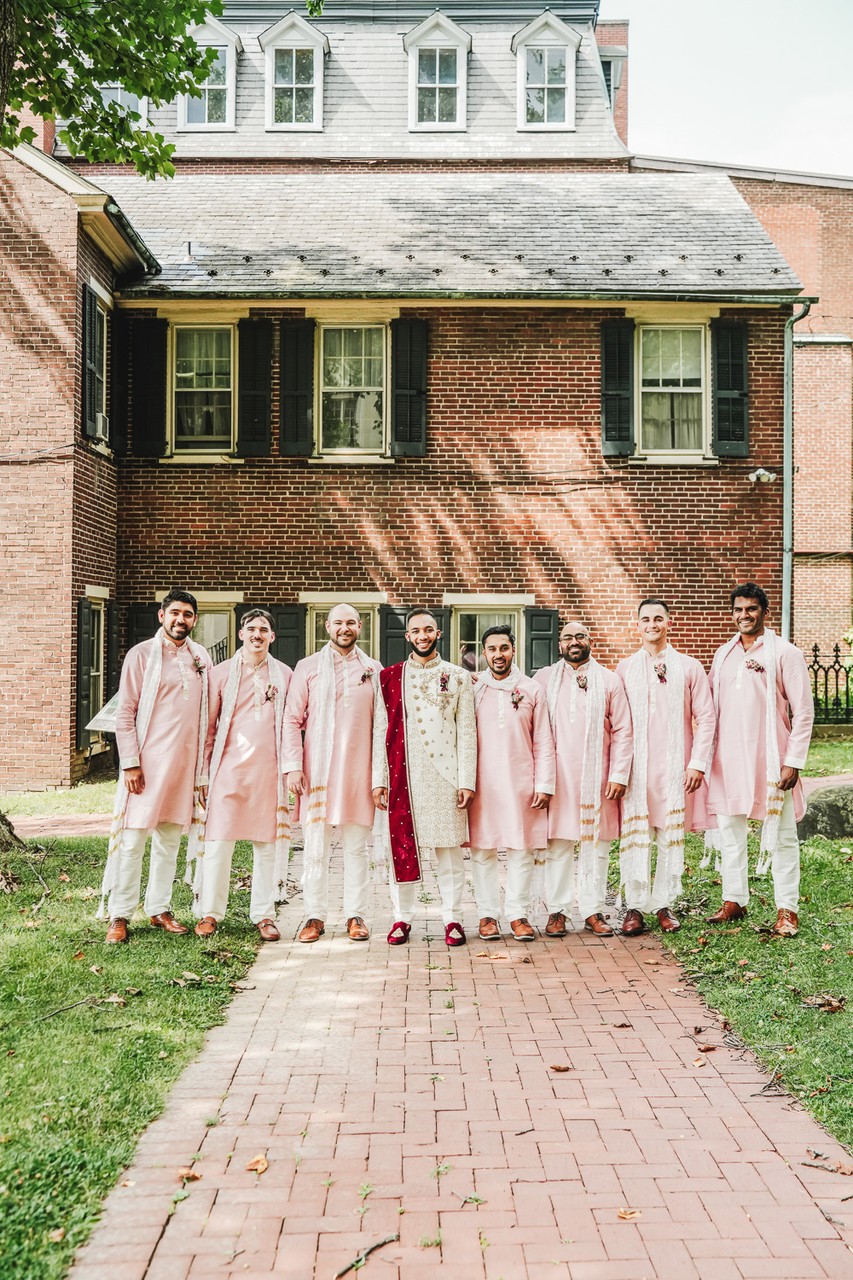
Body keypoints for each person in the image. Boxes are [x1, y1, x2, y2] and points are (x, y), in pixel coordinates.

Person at [100, 590, 212, 943]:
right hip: (146, 766)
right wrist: (130, 763)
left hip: (183, 766)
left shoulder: (200, 656)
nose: (181, 619)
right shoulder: (141, 654)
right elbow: (125, 712)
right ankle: (120, 913)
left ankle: (158, 908)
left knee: (169, 841)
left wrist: (203, 772)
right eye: (175, 612)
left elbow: (207, 715)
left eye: (188, 614)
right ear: (162, 616)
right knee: (133, 841)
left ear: (195, 620)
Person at [705, 582, 814, 936]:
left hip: (771, 758)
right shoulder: (723, 654)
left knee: (781, 835)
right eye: (738, 609)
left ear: (765, 612)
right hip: (727, 758)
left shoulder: (785, 653)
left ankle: (787, 909)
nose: (744, 615)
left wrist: (793, 760)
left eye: (751, 608)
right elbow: (710, 706)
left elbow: (804, 712)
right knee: (729, 831)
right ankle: (734, 900)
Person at [373, 608, 477, 947]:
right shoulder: (389, 677)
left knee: (449, 853)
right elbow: (380, 731)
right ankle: (402, 917)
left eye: (428, 630)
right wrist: (379, 779)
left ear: (438, 634)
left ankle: (452, 918)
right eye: (416, 630)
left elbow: (467, 732)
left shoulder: (458, 677)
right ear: (407, 636)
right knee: (402, 849)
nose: (422, 636)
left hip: (445, 776)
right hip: (403, 774)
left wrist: (466, 781)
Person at [283, 604, 382, 943]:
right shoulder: (308, 667)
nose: (344, 628)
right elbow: (291, 720)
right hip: (318, 773)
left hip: (359, 773)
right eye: (338, 622)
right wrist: (293, 766)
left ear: (360, 626)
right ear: (327, 626)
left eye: (350, 622)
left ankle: (356, 915)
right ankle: (315, 916)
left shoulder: (373, 669)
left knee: (357, 849)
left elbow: (382, 724)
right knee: (316, 848)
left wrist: (379, 777)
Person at [616, 598, 715, 935]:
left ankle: (663, 904)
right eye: (645, 619)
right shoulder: (624, 669)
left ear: (669, 623)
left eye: (658, 618)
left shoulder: (689, 667)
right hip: (637, 767)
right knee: (638, 834)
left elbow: (706, 717)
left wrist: (697, 763)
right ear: (637, 625)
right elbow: (616, 722)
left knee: (668, 835)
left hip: (675, 765)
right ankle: (634, 905)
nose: (652, 624)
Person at [193, 610, 292, 941]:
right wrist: (203, 774)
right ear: (241, 634)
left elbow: (292, 726)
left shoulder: (285, 675)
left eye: (263, 629)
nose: (257, 635)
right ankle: (210, 912)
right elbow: (208, 729)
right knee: (219, 843)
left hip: (268, 773)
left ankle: (263, 914)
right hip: (228, 771)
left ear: (272, 637)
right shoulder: (220, 674)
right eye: (251, 629)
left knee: (266, 846)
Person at [533, 620, 632, 937]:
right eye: (567, 638)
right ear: (559, 644)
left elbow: (623, 730)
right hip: (558, 776)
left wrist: (619, 774)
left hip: (598, 776)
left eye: (580, 636)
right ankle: (558, 911)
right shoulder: (543, 679)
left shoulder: (610, 680)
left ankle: (592, 910)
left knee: (597, 846)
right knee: (558, 845)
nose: (574, 642)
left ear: (590, 641)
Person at [468, 626, 555, 941]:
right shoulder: (474, 689)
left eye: (503, 648)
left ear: (513, 650)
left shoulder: (531, 689)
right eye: (491, 649)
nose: (498, 654)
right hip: (482, 783)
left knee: (521, 850)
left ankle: (518, 914)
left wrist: (544, 784)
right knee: (483, 851)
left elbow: (543, 740)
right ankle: (487, 915)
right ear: (484, 653)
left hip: (521, 782)